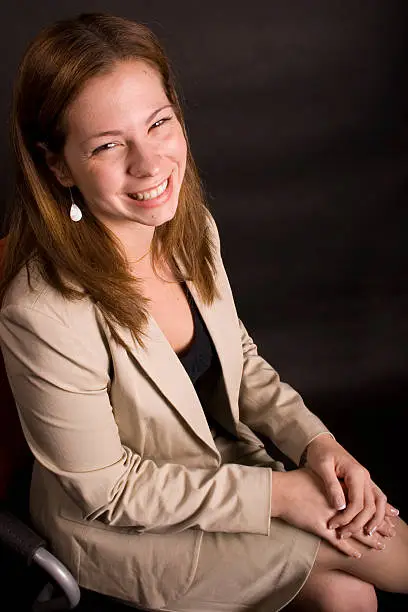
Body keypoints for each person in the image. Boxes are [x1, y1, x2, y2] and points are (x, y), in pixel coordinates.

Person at [0, 12, 406, 612]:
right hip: (122, 527)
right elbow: (107, 490)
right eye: (109, 145)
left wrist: (318, 446)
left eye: (159, 122)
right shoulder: (40, 311)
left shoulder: (188, 229)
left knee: (347, 596)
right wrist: (279, 494)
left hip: (220, 470)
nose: (149, 164)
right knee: (377, 554)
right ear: (59, 166)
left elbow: (241, 362)